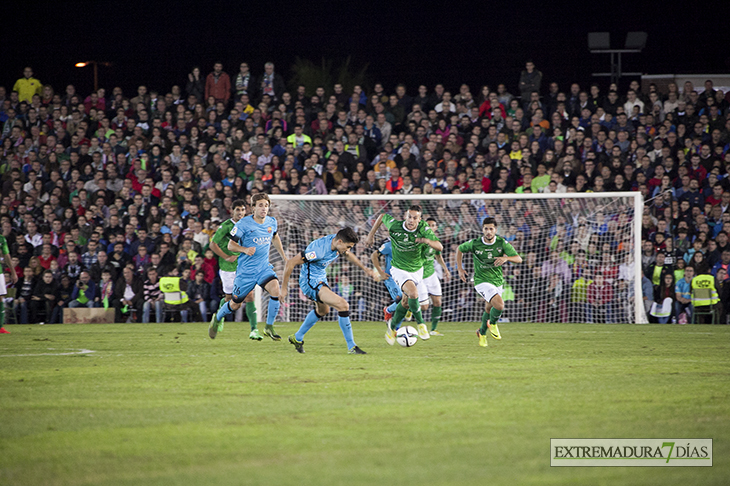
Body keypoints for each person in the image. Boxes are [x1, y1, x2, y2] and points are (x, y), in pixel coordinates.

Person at [282, 227, 374, 354]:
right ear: (340, 242)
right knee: (343, 305)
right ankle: (352, 347)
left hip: (320, 279)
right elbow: (290, 263)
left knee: (324, 310)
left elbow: (348, 255)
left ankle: (297, 337)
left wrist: (365, 269)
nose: (348, 250)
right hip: (310, 282)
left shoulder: (336, 242)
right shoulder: (317, 251)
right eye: (348, 247)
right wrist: (284, 288)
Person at [209, 194, 287, 340]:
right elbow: (231, 245)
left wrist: (284, 257)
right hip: (246, 272)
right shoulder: (243, 224)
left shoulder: (272, 222)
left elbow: (275, 237)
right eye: (260, 205)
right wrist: (244, 249)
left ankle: (269, 327)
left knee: (275, 289)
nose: (264, 208)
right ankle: (218, 318)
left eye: (266, 205)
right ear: (253, 208)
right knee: (234, 304)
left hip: (263, 268)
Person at [365, 205, 443, 344]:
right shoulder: (395, 226)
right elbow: (382, 216)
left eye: (414, 218)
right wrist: (371, 235)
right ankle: (421, 325)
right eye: (409, 216)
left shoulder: (424, 229)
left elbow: (439, 247)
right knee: (413, 294)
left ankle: (392, 329)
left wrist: (426, 241)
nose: (411, 220)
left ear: (419, 219)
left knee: (406, 303)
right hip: (399, 269)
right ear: (405, 216)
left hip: (417, 270)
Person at [456, 217, 522, 347]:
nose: (488, 232)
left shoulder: (501, 243)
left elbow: (518, 259)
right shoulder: (475, 243)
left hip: (497, 281)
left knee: (488, 308)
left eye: (491, 229)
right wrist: (459, 269)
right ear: (482, 230)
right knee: (500, 305)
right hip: (481, 280)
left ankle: (482, 333)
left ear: (496, 230)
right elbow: (460, 249)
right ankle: (492, 324)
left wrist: (506, 258)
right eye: (486, 229)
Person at [208, 199, 258, 339]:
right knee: (230, 298)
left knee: (249, 296)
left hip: (244, 267)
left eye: (242, 210)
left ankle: (254, 329)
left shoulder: (249, 224)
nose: (240, 213)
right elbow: (213, 245)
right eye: (238, 210)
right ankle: (218, 317)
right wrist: (226, 257)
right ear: (232, 211)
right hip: (228, 268)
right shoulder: (225, 226)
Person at [418, 217, 452, 336]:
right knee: (424, 306)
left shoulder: (435, 241)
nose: (431, 228)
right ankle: (409, 308)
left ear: (436, 228)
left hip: (431, 274)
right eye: (428, 225)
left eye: (433, 225)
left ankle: (433, 329)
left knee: (437, 302)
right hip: (419, 275)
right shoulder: (419, 240)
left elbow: (438, 256)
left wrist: (445, 269)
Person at [0, 232, 18, 333]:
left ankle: (0, 326)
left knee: (0, 297)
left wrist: (13, 272)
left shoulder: (1, 239)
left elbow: (7, 255)